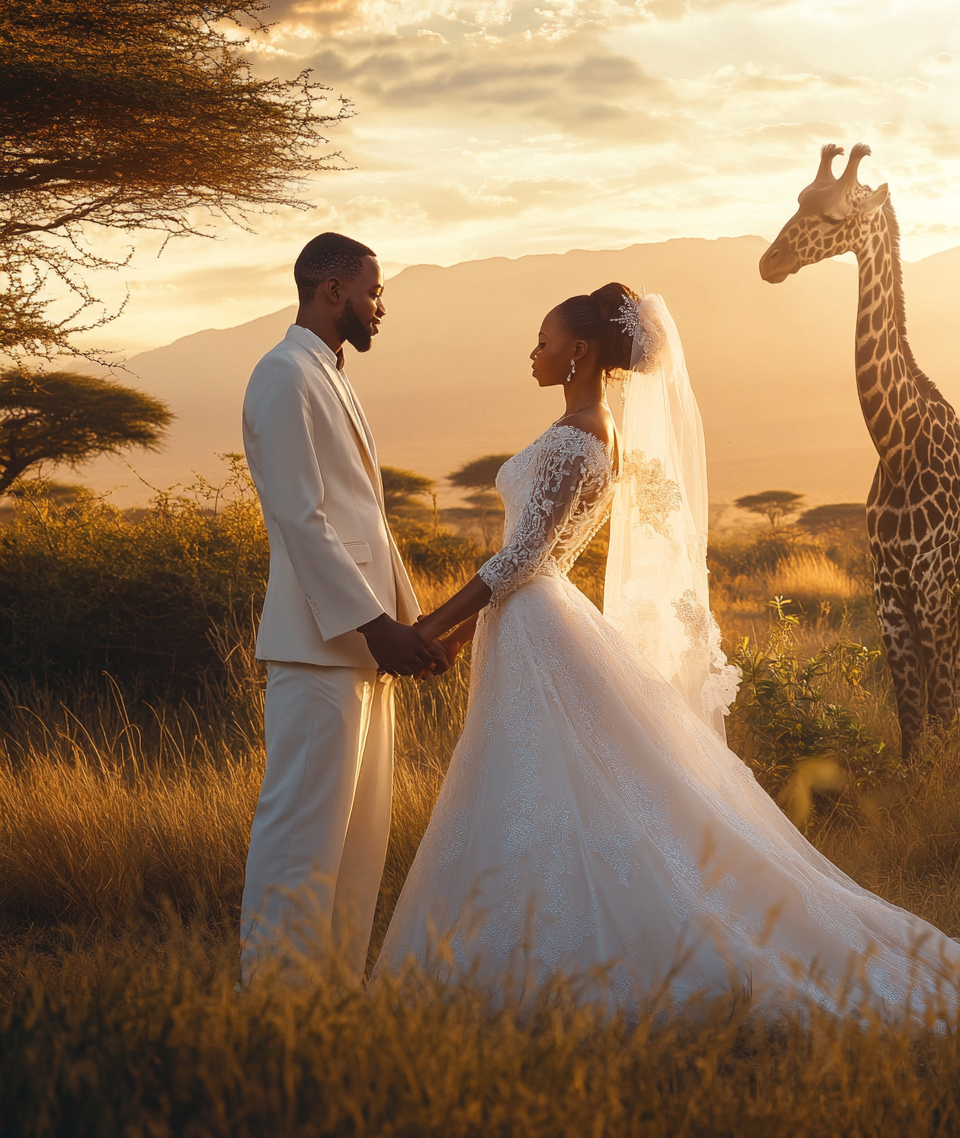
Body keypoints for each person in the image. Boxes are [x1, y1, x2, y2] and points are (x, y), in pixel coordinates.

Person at [375, 283, 960, 1018]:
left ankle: (540, 960)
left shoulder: (581, 435)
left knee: (548, 783)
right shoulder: (589, 428)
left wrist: (433, 626)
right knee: (542, 783)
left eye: (543, 339)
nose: (534, 351)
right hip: (527, 623)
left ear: (579, 351)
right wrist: (459, 633)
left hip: (536, 620)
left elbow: (524, 556)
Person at [240, 232, 448, 983]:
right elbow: (301, 517)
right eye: (373, 290)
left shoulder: (329, 374)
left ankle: (329, 1005)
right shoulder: (283, 374)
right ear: (332, 291)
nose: (379, 306)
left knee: (357, 847)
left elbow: (365, 521)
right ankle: (273, 1010)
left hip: (362, 649)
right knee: (301, 839)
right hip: (318, 644)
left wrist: (413, 626)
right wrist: (375, 626)